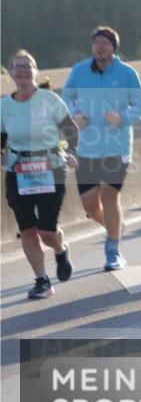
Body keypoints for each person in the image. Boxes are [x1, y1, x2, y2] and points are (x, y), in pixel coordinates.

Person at [62, 27, 141, 271]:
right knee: (89, 204)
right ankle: (114, 229)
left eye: (105, 43)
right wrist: (74, 114)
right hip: (86, 147)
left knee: (110, 195)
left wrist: (122, 117)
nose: (100, 47)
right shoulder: (79, 71)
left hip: (117, 146)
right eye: (97, 42)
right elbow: (66, 97)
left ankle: (113, 250)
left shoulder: (127, 73)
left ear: (114, 47)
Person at [2, 50, 78, 299]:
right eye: (18, 67)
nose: (22, 71)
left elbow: (70, 129)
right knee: (27, 229)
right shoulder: (4, 105)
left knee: (46, 231)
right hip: (18, 170)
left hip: (50, 167)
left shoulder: (49, 100)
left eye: (27, 66)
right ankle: (42, 280)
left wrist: (72, 152)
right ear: (11, 73)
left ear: (36, 71)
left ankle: (59, 249)